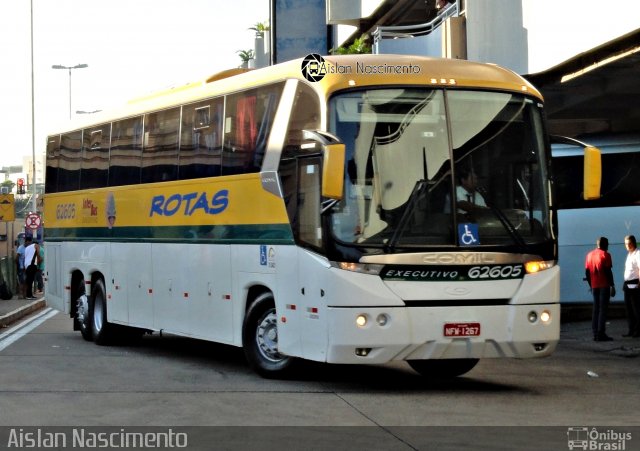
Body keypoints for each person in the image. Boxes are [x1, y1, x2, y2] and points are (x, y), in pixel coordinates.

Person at [585, 236, 616, 341]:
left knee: (596, 309)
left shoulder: (589, 255)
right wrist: (612, 285)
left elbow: (587, 272)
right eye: (607, 244)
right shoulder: (606, 255)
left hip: (594, 286)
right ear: (605, 244)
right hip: (604, 285)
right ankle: (601, 333)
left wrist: (591, 285)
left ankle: (595, 333)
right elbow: (608, 271)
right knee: (603, 309)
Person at [622, 235, 640, 337]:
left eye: (629, 243)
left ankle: (638, 330)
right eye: (625, 243)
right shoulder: (629, 254)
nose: (627, 245)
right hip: (627, 284)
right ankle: (631, 329)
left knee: (636, 308)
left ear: (634, 243)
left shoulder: (638, 253)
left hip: (635, 283)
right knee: (628, 309)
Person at [23, 236, 41, 300]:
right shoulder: (36, 245)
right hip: (32, 265)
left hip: (27, 266)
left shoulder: (26, 248)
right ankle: (29, 295)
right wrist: (39, 262)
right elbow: (38, 254)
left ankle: (30, 295)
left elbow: (25, 258)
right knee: (30, 281)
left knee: (29, 281)